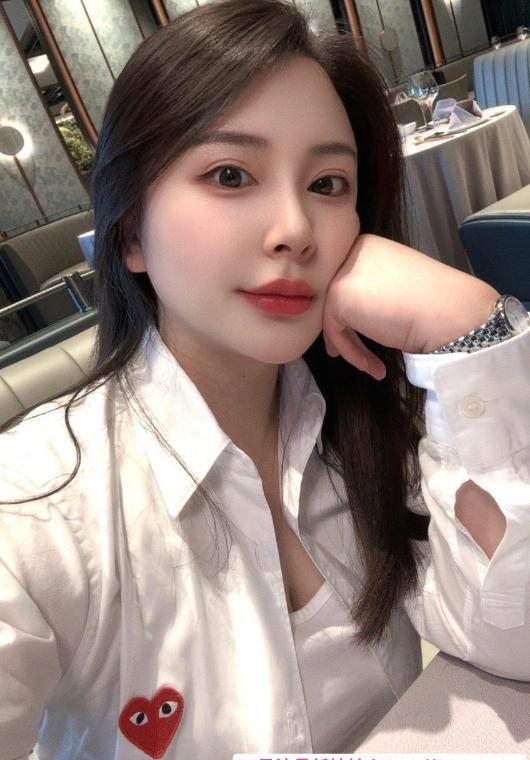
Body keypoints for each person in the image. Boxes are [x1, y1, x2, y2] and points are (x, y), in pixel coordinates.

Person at [1, 1, 529, 758]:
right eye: (230, 174)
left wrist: (469, 325)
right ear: (131, 232)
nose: (295, 230)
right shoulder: (42, 503)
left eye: (328, 184)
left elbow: (516, 635)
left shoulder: (375, 416)